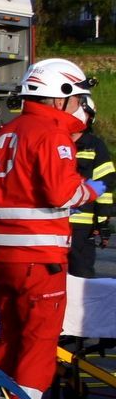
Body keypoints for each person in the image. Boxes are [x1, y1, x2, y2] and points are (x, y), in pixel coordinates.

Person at [0, 58, 103, 399]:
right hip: (41, 263)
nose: (79, 107)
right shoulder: (53, 136)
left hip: (4, 260)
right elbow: (61, 194)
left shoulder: (3, 134)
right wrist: (90, 189)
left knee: (8, 344)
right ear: (60, 97)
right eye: (76, 98)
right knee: (37, 353)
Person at [68, 99, 113, 278]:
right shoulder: (54, 141)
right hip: (53, 223)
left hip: (82, 226)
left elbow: (105, 184)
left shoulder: (95, 146)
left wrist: (102, 222)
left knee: (81, 274)